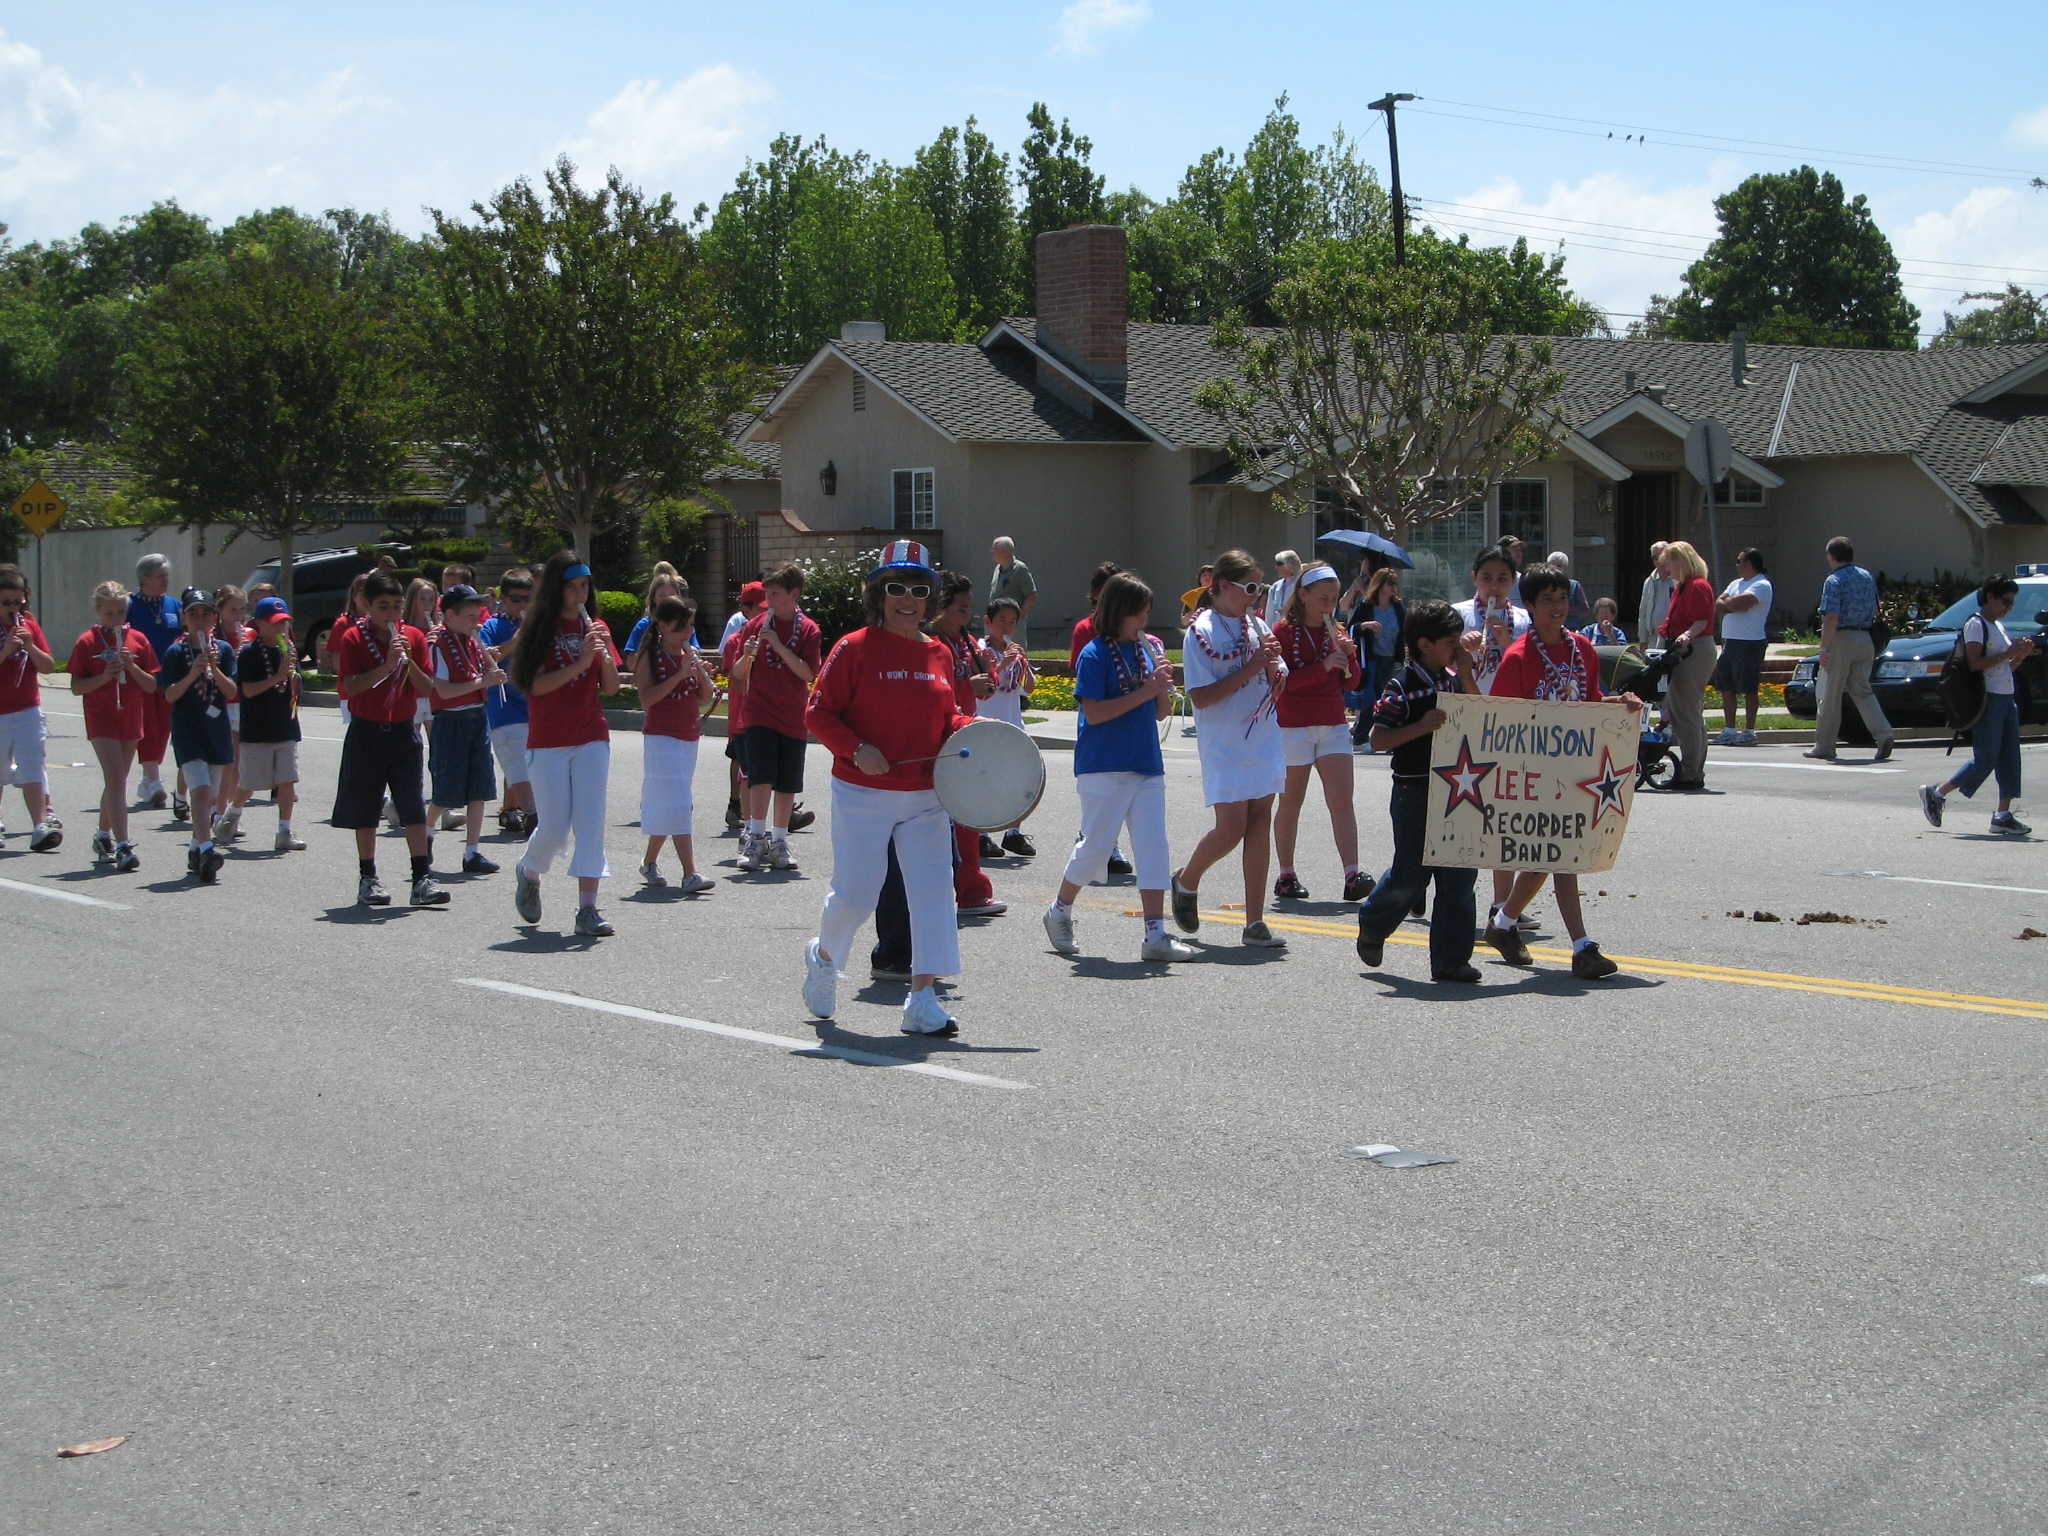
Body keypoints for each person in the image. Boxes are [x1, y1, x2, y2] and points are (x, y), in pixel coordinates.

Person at [802, 540, 978, 1036]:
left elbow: (948, 718)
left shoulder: (940, 652)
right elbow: (818, 713)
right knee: (857, 895)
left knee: (933, 893)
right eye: (896, 587)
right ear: (879, 594)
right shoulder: (852, 647)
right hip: (863, 791)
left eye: (919, 589)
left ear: (930, 599)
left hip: (926, 795)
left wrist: (971, 727)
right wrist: (856, 749)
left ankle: (921, 998)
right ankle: (824, 957)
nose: (908, 598)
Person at [1479, 564, 1638, 980]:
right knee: (1558, 852)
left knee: (1557, 853)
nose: (1557, 607)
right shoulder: (1518, 656)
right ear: (1528, 606)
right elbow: (1500, 723)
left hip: (1575, 767)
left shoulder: (1581, 648)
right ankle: (1581, 947)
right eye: (1547, 599)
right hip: (1532, 775)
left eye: (1562, 598)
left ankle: (1505, 923)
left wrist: (1617, 703)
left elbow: (1589, 700)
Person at [1043, 572, 1195, 963]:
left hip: (1145, 761)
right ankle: (1059, 910)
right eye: (1138, 614)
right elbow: (1093, 713)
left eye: (1147, 613)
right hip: (1103, 765)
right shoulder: (1095, 654)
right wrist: (1145, 690)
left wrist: (1161, 687)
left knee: (1152, 847)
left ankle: (1155, 935)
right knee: (1095, 850)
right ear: (1118, 612)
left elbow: (1160, 711)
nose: (1145, 622)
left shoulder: (1145, 650)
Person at [1353, 600, 1483, 983]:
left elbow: (1478, 714)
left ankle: (1451, 959)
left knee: (1459, 874)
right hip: (1415, 790)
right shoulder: (1403, 684)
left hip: (1458, 788)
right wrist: (1422, 726)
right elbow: (1378, 739)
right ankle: (1374, 922)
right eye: (1450, 641)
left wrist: (1466, 672)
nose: (1457, 648)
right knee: (1412, 874)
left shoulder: (1453, 677)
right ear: (1424, 644)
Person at [1171, 549, 1289, 948]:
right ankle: (1186, 881)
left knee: (1260, 821)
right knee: (1231, 828)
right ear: (1223, 587)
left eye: (1261, 588)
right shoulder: (1201, 631)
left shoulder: (1255, 624)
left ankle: (1255, 921)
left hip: (1263, 735)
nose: (1256, 597)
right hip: (1225, 741)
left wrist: (1274, 670)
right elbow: (1201, 697)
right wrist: (1254, 666)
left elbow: (1274, 674)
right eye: (1250, 587)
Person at [508, 550, 621, 936]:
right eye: (571, 587)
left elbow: (610, 688)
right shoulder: (538, 629)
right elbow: (535, 686)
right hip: (549, 740)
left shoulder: (596, 627)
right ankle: (529, 870)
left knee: (591, 824)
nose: (578, 595)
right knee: (555, 827)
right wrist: (580, 661)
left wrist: (602, 656)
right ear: (556, 590)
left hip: (590, 735)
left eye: (584, 587)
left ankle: (587, 910)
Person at [330, 573, 449, 909]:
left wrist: (406, 660)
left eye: (397, 606)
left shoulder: (413, 636)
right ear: (367, 605)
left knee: (413, 805)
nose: (392, 614)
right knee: (366, 808)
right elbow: (350, 686)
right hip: (367, 731)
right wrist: (386, 666)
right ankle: (368, 877)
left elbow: (427, 689)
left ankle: (421, 877)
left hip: (403, 731)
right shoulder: (354, 637)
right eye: (383, 606)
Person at [1271, 562, 1369, 902]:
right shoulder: (1282, 633)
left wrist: (1349, 657)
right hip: (1293, 726)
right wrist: (1322, 667)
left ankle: (1352, 873)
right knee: (1291, 802)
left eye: (1334, 598)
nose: (1329, 604)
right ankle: (1286, 874)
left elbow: (1353, 683)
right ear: (1303, 595)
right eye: (1323, 598)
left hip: (1333, 723)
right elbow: (1280, 685)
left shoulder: (1337, 631)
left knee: (1342, 800)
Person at [1454, 546, 1534, 926]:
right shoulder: (1460, 614)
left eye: (1503, 578)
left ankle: (1502, 904)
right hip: (1467, 722)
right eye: (1487, 578)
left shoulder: (1523, 620)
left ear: (1513, 581)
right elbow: (1437, 663)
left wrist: (1506, 642)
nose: (1494, 586)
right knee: (1460, 810)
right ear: (1474, 578)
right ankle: (1424, 883)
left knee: (1504, 814)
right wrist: (1462, 650)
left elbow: (1532, 667)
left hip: (1510, 726)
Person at [1919, 574, 2034, 836]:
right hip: (1987, 699)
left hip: (2006, 697)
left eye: (2012, 602)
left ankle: (2003, 815)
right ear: (1989, 598)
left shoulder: (1999, 626)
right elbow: (1974, 664)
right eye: (2005, 601)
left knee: (2009, 758)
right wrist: (2007, 653)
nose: (2009, 607)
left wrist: (2018, 657)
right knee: (1986, 758)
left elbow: (2003, 667)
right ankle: (1937, 792)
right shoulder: (1976, 624)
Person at [729, 562, 820, 873]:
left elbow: (808, 672)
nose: (768, 600)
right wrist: (747, 654)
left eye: (776, 593)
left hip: (793, 714)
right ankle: (755, 838)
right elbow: (738, 673)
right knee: (760, 777)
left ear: (794, 595)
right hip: (758, 711)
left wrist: (778, 646)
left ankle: (779, 841)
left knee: (787, 782)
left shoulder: (808, 629)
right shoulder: (754, 627)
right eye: (766, 593)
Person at [927, 570, 1004, 915]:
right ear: (940, 608)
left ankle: (971, 889)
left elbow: (988, 682)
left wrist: (990, 670)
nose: (967, 616)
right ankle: (956, 889)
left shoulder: (965, 641)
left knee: (968, 817)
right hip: (937, 740)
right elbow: (931, 694)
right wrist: (965, 688)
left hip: (965, 736)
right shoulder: (929, 643)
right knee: (944, 822)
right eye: (960, 609)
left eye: (970, 609)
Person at [70, 580, 157, 870]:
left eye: (121, 612)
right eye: (109, 613)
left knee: (116, 782)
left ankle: (102, 834)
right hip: (101, 716)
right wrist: (105, 675)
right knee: (117, 779)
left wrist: (131, 666)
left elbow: (151, 684)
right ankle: (123, 845)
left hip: (130, 715)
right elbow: (77, 687)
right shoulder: (87, 642)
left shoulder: (138, 640)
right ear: (98, 611)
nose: (116, 619)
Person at [635, 594, 718, 891]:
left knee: (671, 804)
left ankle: (648, 863)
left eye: (690, 627)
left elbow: (706, 698)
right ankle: (689, 873)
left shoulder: (689, 653)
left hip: (688, 736)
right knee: (681, 803)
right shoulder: (650, 654)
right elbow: (646, 699)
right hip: (661, 737)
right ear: (663, 626)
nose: (687, 634)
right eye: (681, 628)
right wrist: (679, 675)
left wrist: (700, 676)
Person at [423, 584, 505, 875]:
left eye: (477, 614)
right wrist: (484, 682)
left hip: (476, 718)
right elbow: (443, 691)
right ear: (449, 615)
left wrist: (487, 663)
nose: (476, 620)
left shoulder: (472, 640)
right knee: (446, 792)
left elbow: (475, 675)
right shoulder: (438, 643)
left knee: (479, 789)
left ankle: (472, 852)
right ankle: (426, 831)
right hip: (451, 722)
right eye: (469, 615)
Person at [158, 593, 239, 883]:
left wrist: (214, 668)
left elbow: (231, 692)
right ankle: (207, 847)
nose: (200, 620)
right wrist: (194, 672)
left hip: (215, 731)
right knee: (201, 790)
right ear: (184, 619)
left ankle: (196, 847)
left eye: (206, 614)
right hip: (188, 730)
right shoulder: (176, 652)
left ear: (214, 619)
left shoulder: (225, 650)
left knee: (212, 795)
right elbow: (170, 694)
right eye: (194, 615)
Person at [1806, 535, 1895, 762]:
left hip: (1842, 639)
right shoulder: (1866, 577)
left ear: (1832, 556)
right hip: (1866, 639)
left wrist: (1824, 649)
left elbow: (1831, 617)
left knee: (1831, 694)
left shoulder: (1833, 580)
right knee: (1862, 690)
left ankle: (1825, 745)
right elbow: (1875, 610)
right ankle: (1883, 733)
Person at [233, 596, 305, 852]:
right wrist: (277, 676)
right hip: (257, 729)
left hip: (285, 725)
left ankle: (284, 830)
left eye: (284, 623)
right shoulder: (249, 654)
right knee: (250, 784)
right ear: (261, 624)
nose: (281, 629)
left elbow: (294, 688)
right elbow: (248, 690)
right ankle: (232, 813)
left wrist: (293, 676)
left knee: (287, 780)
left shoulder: (289, 651)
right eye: (275, 624)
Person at [0, 566, 59, 852]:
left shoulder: (29, 626)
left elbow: (48, 666)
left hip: (28, 709)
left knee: (33, 766)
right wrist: (5, 651)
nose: (13, 608)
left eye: (17, 601)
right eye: (6, 602)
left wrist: (30, 645)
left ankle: (40, 825)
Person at [975, 595, 1038, 860]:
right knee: (985, 780)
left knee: (1017, 780)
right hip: (986, 726)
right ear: (988, 622)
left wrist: (1022, 664)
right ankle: (981, 834)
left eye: (1012, 622)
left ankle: (1013, 832)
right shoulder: (979, 649)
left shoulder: (1016, 651)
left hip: (1013, 723)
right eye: (1002, 620)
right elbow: (984, 684)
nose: (1007, 627)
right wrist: (1001, 663)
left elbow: (1029, 689)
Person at [1656, 540, 1718, 790]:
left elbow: (1700, 620)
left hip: (1694, 649)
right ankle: (1693, 769)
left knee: (1686, 713)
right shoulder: (1683, 587)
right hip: (1687, 648)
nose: (1668, 568)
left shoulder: (1697, 586)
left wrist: (1686, 636)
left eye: (1670, 563)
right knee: (1689, 711)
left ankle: (1690, 772)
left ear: (1682, 560)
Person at [479, 570, 536, 836]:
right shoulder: (492, 626)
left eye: (527, 599)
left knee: (531, 762)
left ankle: (514, 808)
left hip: (532, 704)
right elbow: (487, 659)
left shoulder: (538, 625)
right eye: (516, 599)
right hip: (503, 705)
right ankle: (531, 812)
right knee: (515, 759)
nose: (522, 605)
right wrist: (516, 640)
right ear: (503, 598)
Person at [128, 553, 183, 813]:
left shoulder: (173, 604)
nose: (165, 580)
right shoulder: (129, 604)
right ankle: (153, 779)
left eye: (167, 575)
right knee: (147, 726)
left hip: (169, 677)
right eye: (161, 576)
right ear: (145, 578)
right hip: (141, 676)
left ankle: (148, 777)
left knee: (164, 728)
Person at [1711, 547, 1774, 746]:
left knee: (1748, 687)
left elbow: (1740, 604)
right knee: (1726, 687)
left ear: (1749, 563)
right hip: (1730, 641)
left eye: (1739, 561)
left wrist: (1728, 603)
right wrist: (1729, 603)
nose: (1736, 565)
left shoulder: (1762, 584)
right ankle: (1729, 730)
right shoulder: (1736, 583)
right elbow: (1718, 605)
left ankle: (1749, 731)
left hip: (1750, 643)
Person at [720, 580, 767, 829]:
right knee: (749, 775)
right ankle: (750, 830)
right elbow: (737, 679)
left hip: (767, 718)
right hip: (743, 720)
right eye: (761, 608)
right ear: (746, 611)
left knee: (766, 774)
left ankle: (772, 821)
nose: (767, 613)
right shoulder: (734, 642)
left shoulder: (774, 638)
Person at [208, 585, 252, 843]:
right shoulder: (214, 638)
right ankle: (217, 810)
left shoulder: (248, 634)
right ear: (220, 610)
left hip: (242, 702)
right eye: (232, 609)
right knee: (226, 762)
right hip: (221, 703)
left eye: (241, 609)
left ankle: (228, 814)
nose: (238, 615)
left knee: (237, 764)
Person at [1349, 567, 1404, 748]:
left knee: (1391, 699)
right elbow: (1350, 629)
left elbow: (1405, 630)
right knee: (1374, 698)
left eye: (1395, 583)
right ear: (1380, 584)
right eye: (1390, 583)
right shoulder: (1366, 606)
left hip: (1391, 659)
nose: (1393, 587)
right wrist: (1364, 625)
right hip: (1371, 659)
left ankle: (1389, 737)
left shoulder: (1397, 608)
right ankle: (1361, 737)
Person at [623, 563, 687, 657]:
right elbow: (631, 663)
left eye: (672, 595)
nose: (667, 599)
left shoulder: (685, 626)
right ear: (653, 598)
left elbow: (695, 653)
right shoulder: (643, 626)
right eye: (662, 595)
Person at [1069, 562, 1123, 666]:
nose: (1115, 598)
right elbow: (1079, 670)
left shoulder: (1130, 626)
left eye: (1119, 593)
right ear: (1094, 594)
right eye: (1107, 593)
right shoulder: (1084, 629)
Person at [988, 536, 1036, 645]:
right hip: (996, 622)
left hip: (1012, 624)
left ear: (1004, 550)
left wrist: (1019, 617)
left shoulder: (1020, 569)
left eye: (994, 549)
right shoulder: (997, 569)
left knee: (1016, 654)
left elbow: (1032, 595)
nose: (992, 551)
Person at [1637, 542, 1674, 647]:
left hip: (1673, 635)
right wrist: (1643, 640)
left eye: (1661, 555)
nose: (1658, 560)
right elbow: (1643, 612)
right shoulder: (1649, 582)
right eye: (1654, 557)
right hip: (1654, 637)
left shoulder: (1677, 579)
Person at [1263, 549, 1303, 627]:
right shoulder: (1275, 587)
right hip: (1277, 632)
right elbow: (1269, 615)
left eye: (1279, 564)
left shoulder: (1303, 584)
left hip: (1296, 630)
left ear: (1289, 564)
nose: (1276, 567)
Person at [1548, 551, 1591, 623]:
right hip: (1549, 626)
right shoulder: (1543, 586)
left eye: (1558, 566)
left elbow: (1584, 609)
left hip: (1570, 627)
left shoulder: (1574, 585)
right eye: (1552, 566)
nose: (1555, 569)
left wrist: (1563, 610)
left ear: (1565, 568)